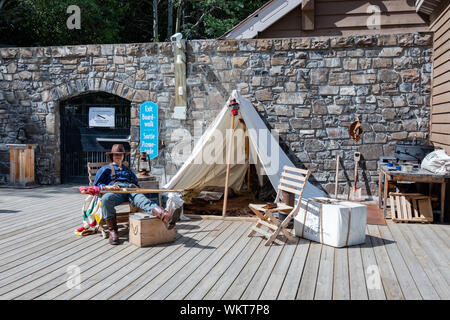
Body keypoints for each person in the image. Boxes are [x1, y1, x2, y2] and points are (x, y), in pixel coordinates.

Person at [93, 144, 180, 245]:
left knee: (143, 200)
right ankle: (113, 231)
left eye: (120, 154)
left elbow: (136, 184)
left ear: (123, 156)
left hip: (131, 190)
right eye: (116, 154)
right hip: (115, 191)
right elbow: (96, 186)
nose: (118, 156)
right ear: (112, 155)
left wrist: (137, 191)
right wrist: (109, 187)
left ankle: (165, 216)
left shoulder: (128, 170)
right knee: (106, 200)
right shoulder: (105, 169)